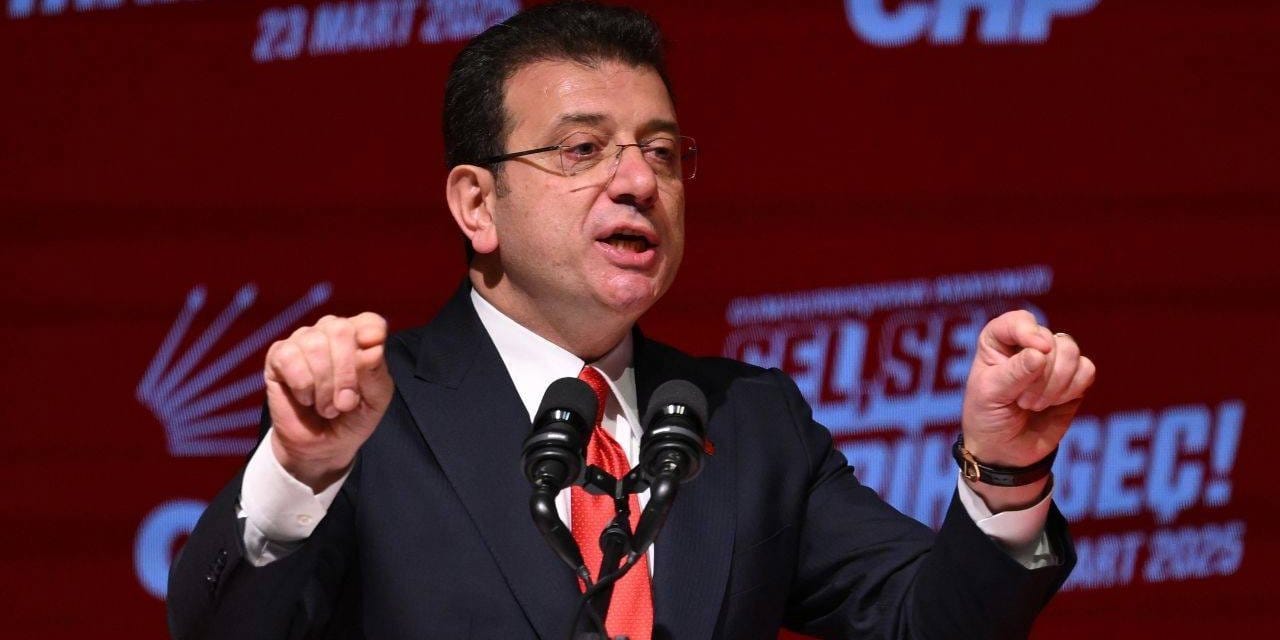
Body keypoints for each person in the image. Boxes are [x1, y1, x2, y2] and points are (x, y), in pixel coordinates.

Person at [167, 3, 1094, 638]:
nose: (640, 181)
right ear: (477, 204)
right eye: (583, 149)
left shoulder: (750, 422)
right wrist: (298, 474)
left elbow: (924, 621)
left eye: (661, 150)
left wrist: (1007, 474)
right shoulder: (372, 416)